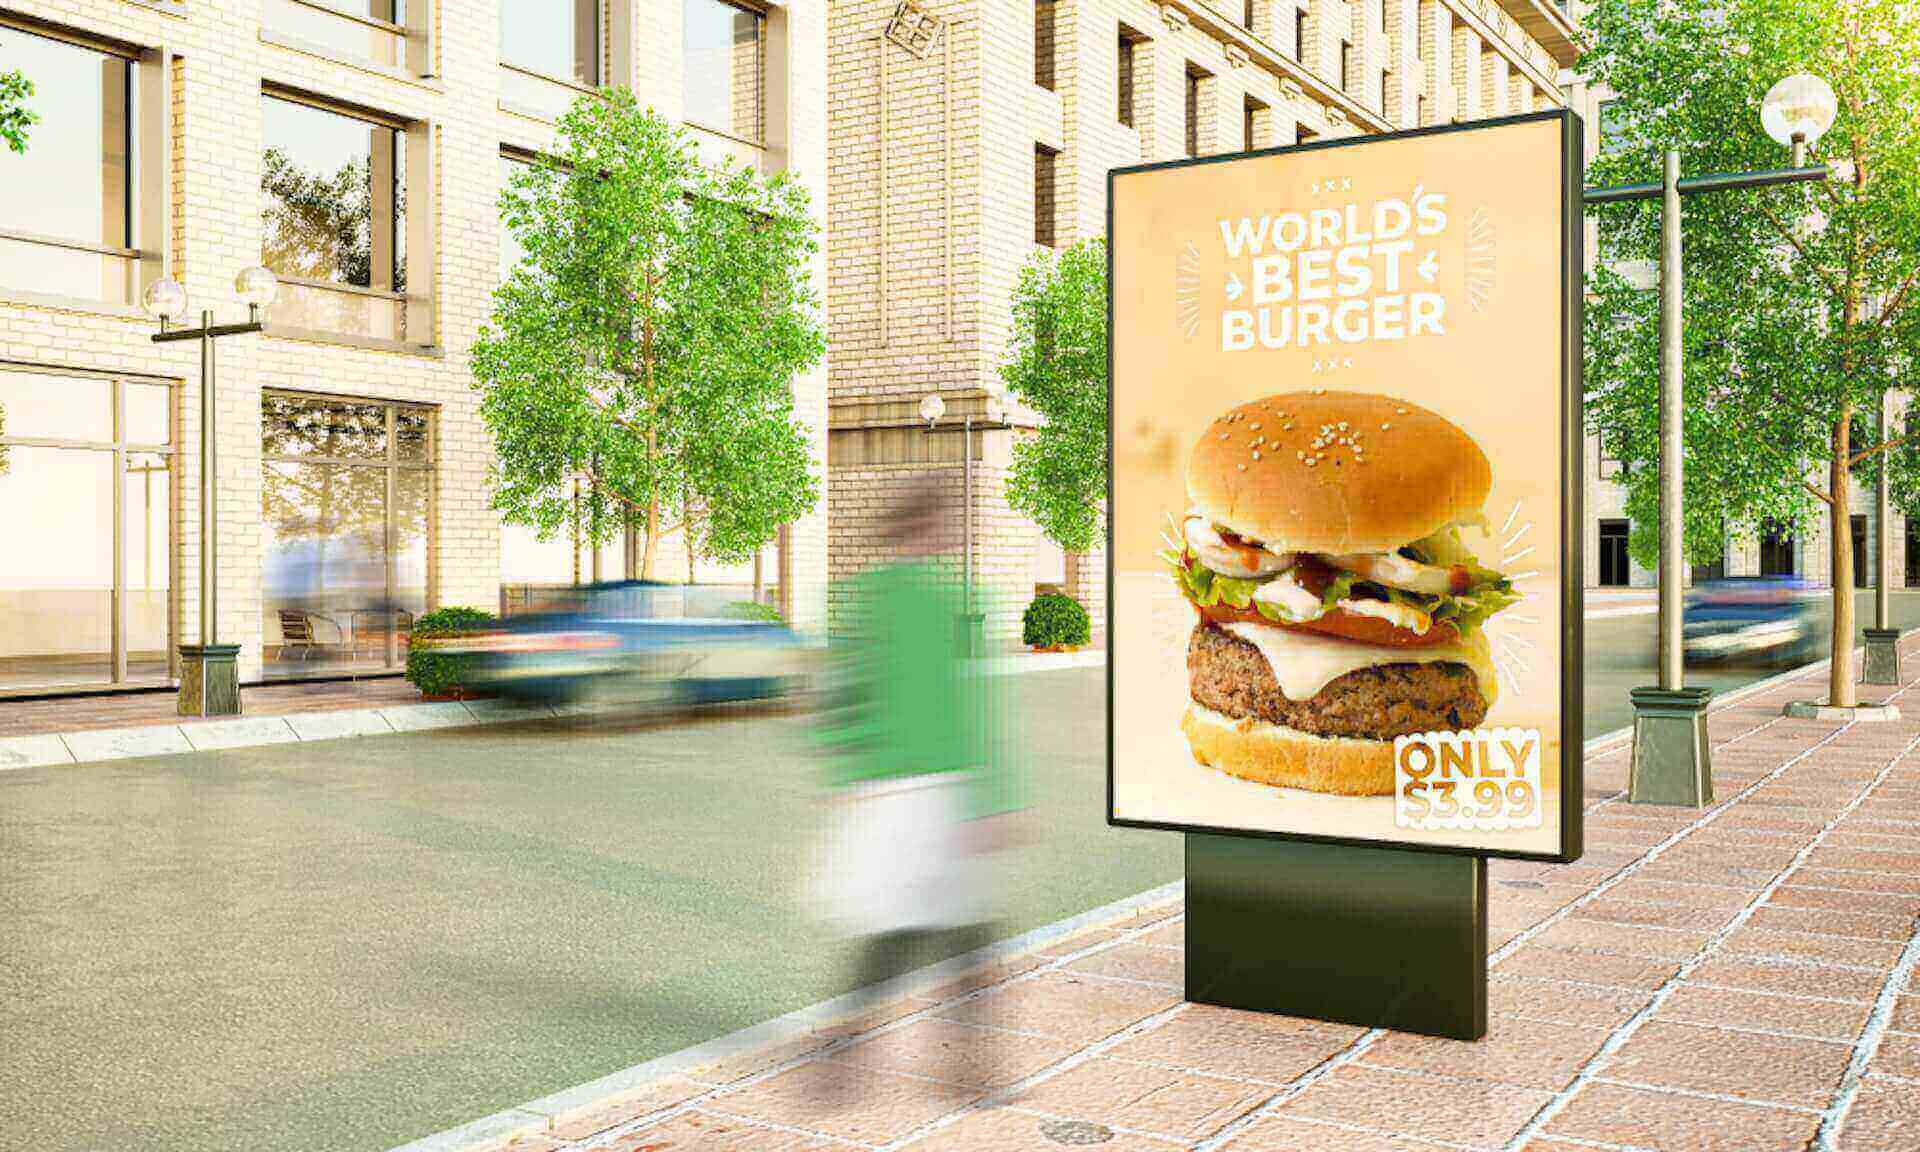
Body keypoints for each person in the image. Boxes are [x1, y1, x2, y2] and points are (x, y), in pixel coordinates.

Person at [810, 479, 1024, 1089]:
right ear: (931, 531)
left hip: (886, 793)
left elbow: (837, 699)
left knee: (896, 934)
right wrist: (998, 800)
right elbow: (976, 708)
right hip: (945, 792)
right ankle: (970, 1071)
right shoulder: (955, 602)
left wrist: (846, 772)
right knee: (967, 940)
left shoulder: (863, 599)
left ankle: (840, 1064)